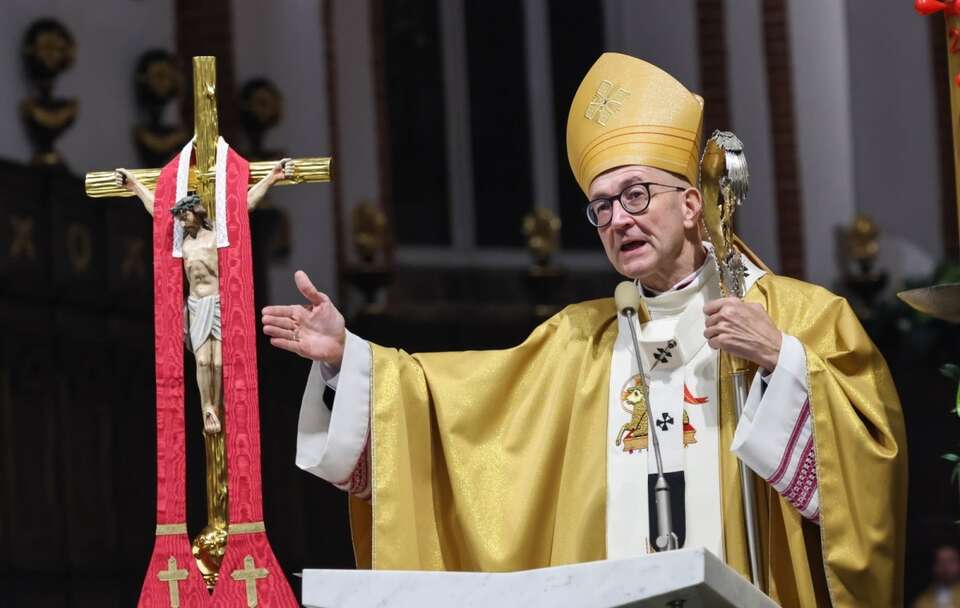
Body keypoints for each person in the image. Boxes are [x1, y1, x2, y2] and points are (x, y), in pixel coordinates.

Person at [262, 53, 906, 607]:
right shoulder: (578, 341)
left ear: (691, 204)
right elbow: (457, 414)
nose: (618, 220)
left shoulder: (798, 314)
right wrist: (347, 360)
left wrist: (781, 363)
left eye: (636, 195)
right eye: (601, 206)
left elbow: (869, 476)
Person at [117, 158, 291, 433]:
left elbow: (244, 206)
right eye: (179, 216)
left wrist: (272, 177)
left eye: (184, 214)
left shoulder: (216, 237)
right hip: (197, 305)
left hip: (218, 303)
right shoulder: (182, 242)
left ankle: (217, 406)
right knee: (202, 360)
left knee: (218, 361)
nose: (181, 219)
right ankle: (208, 407)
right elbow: (157, 212)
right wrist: (135, 185)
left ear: (196, 212)